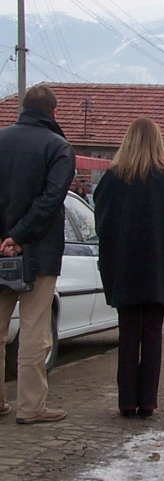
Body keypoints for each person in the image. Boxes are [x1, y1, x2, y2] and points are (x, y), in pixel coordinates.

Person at [93, 117, 164, 418]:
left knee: (127, 334)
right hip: (158, 270)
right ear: (158, 142)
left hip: (123, 268)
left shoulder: (112, 179)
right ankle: (147, 400)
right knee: (152, 333)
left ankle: (125, 401)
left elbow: (101, 223)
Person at [0, 84, 75, 424]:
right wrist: (20, 236)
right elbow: (52, 198)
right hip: (40, 252)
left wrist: (6, 238)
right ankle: (31, 406)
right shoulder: (58, 147)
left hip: (0, 249)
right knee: (33, 331)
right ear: (53, 112)